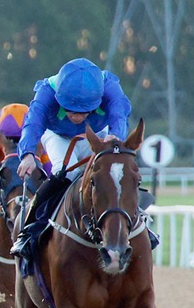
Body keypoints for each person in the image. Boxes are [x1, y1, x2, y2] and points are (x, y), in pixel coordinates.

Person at [10, 57, 140, 258]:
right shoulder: (47, 92)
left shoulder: (109, 87)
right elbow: (33, 124)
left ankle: (141, 227)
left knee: (114, 174)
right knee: (65, 173)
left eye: (83, 111)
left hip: (98, 134)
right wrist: (27, 154)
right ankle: (30, 230)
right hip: (58, 135)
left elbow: (119, 112)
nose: (77, 116)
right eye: (70, 110)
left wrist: (117, 135)